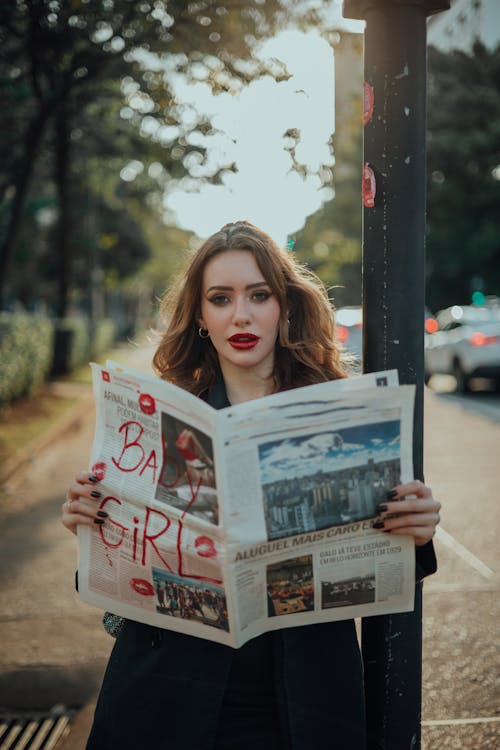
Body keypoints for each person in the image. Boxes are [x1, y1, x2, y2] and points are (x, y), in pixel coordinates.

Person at [61, 221, 441, 750]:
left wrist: (416, 532)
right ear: (200, 315)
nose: (241, 314)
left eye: (259, 295)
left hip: (303, 706)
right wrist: (92, 526)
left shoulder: (342, 416)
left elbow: (379, 567)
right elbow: (115, 602)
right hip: (168, 701)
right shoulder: (159, 422)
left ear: (284, 307)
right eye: (221, 298)